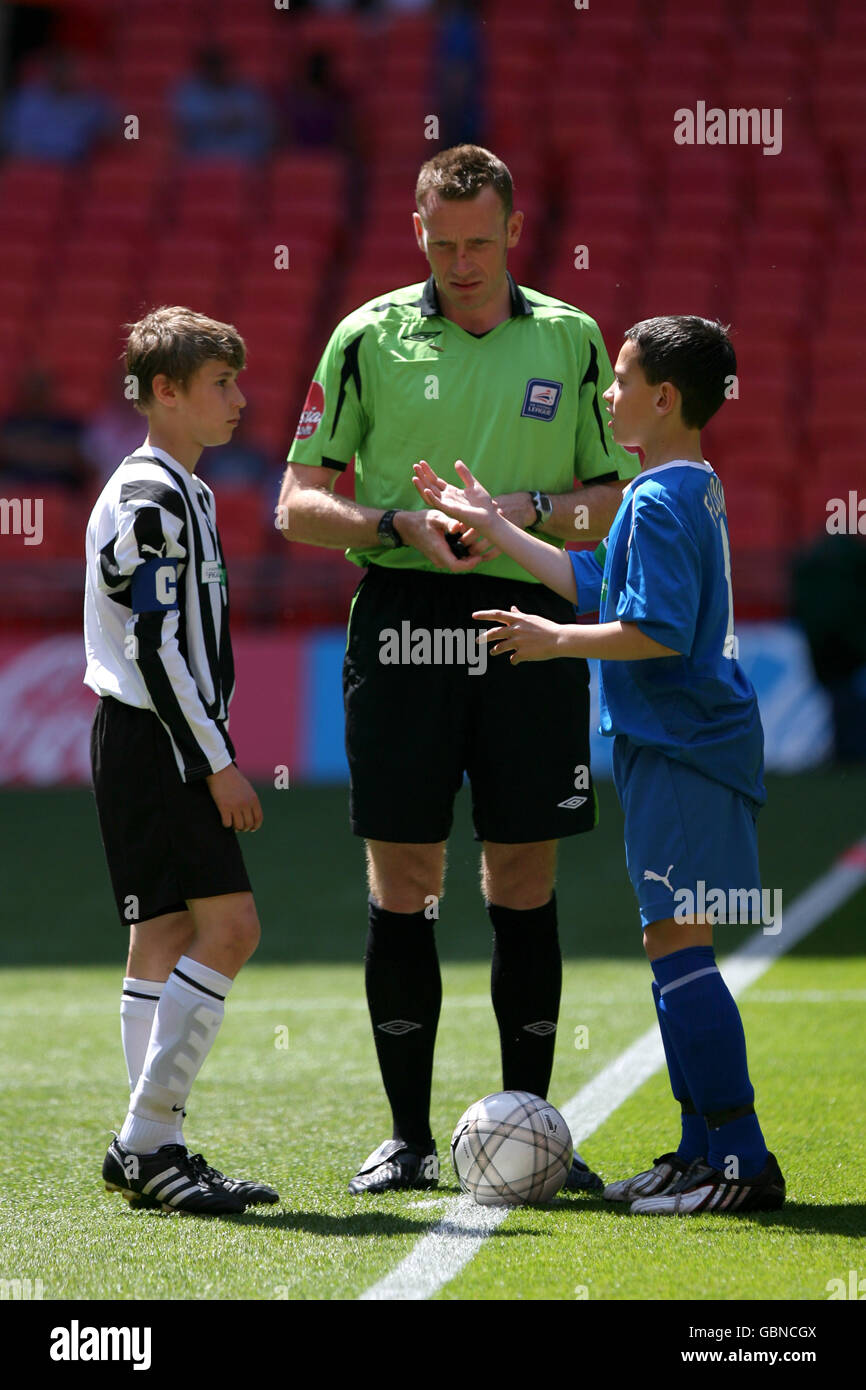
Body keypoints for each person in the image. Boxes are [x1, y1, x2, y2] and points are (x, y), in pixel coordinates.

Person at [278, 144, 639, 1195]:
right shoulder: (365, 336)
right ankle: (404, 1136)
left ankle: (532, 1125)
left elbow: (607, 501)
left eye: (480, 242)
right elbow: (296, 501)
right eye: (443, 244)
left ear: (514, 231)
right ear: (416, 231)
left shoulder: (569, 336)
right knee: (406, 879)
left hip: (527, 611)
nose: (462, 262)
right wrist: (393, 520)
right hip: (399, 615)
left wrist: (514, 515)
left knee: (522, 872)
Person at [414, 314, 785, 1216]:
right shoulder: (678, 486)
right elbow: (596, 582)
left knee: (678, 944)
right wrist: (500, 531)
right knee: (670, 942)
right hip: (678, 746)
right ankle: (699, 1148)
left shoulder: (657, 500)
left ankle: (740, 1156)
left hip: (684, 747)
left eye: (620, 379)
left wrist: (551, 645)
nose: (608, 393)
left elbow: (653, 632)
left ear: (664, 397)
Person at [84, 306, 278, 1215]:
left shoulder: (183, 490)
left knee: (161, 935)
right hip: (159, 742)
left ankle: (150, 1152)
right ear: (165, 393)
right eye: (220, 385)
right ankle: (148, 1138)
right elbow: (158, 651)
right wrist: (217, 763)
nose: (239, 400)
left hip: (145, 740)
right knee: (231, 928)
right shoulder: (150, 499)